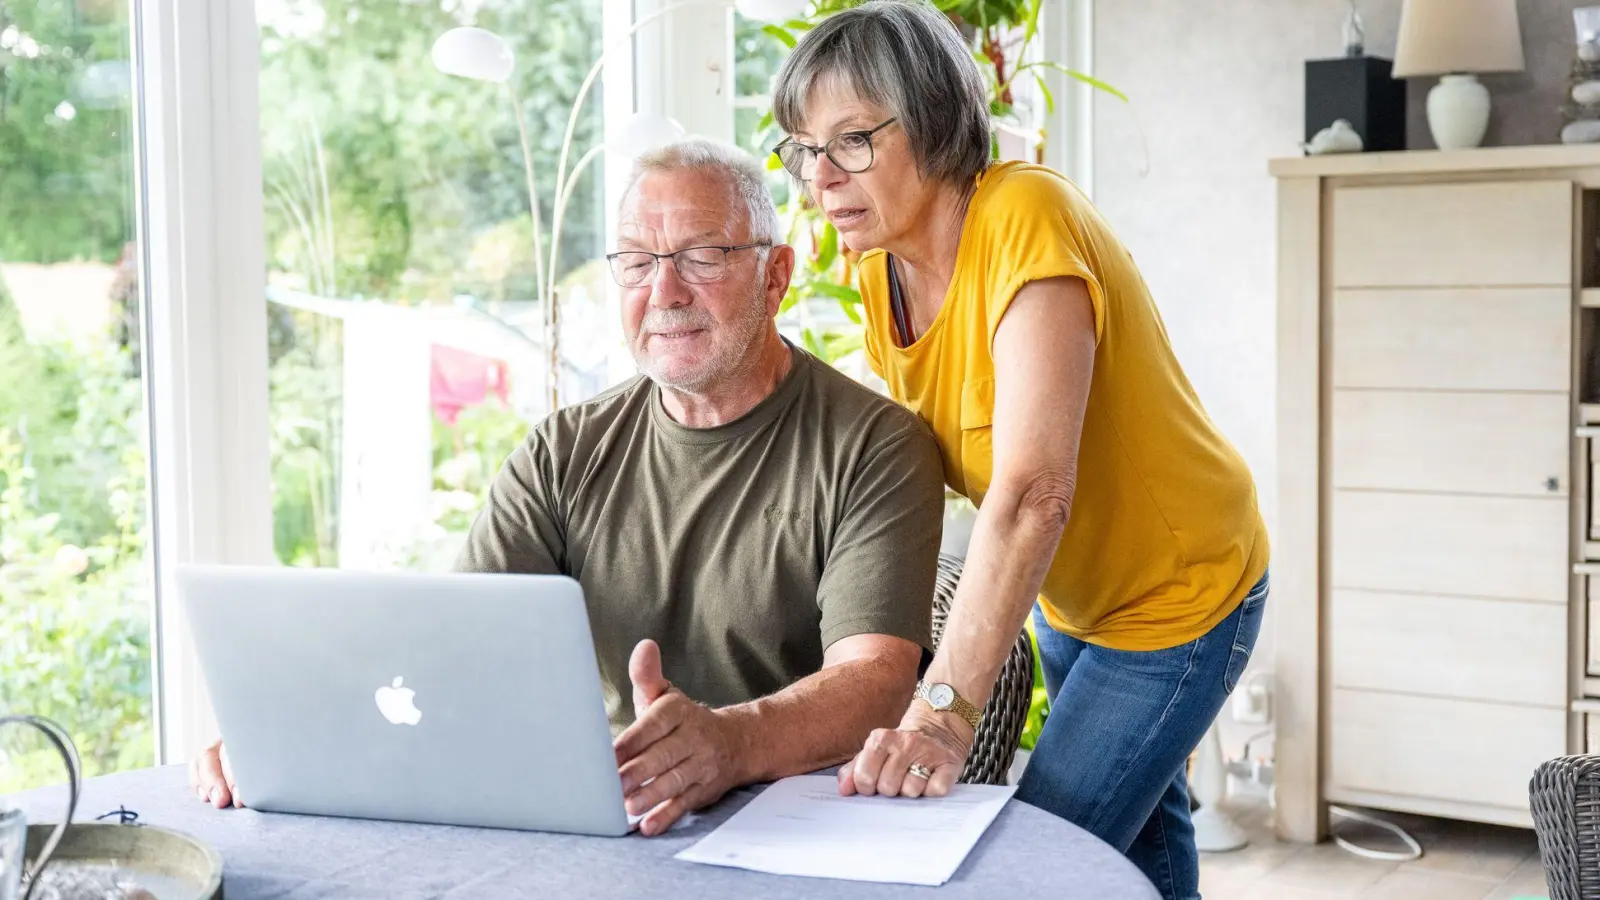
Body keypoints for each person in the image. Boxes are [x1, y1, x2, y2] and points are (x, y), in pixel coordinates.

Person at [190, 138, 947, 838]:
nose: (665, 290)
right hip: (605, 820)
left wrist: (732, 741)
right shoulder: (563, 451)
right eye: (638, 261)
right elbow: (450, 647)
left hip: (800, 833)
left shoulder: (875, 446)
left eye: (703, 255)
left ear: (776, 275)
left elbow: (874, 681)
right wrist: (294, 727)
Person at [769, 3, 1269, 897]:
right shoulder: (878, 267)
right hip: (1073, 601)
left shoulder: (1023, 215)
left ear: (928, 116)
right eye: (804, 149)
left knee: (1038, 862)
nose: (820, 179)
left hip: (1181, 592)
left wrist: (945, 714)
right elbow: (920, 463)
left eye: (850, 140)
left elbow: (1033, 490)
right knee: (1144, 844)